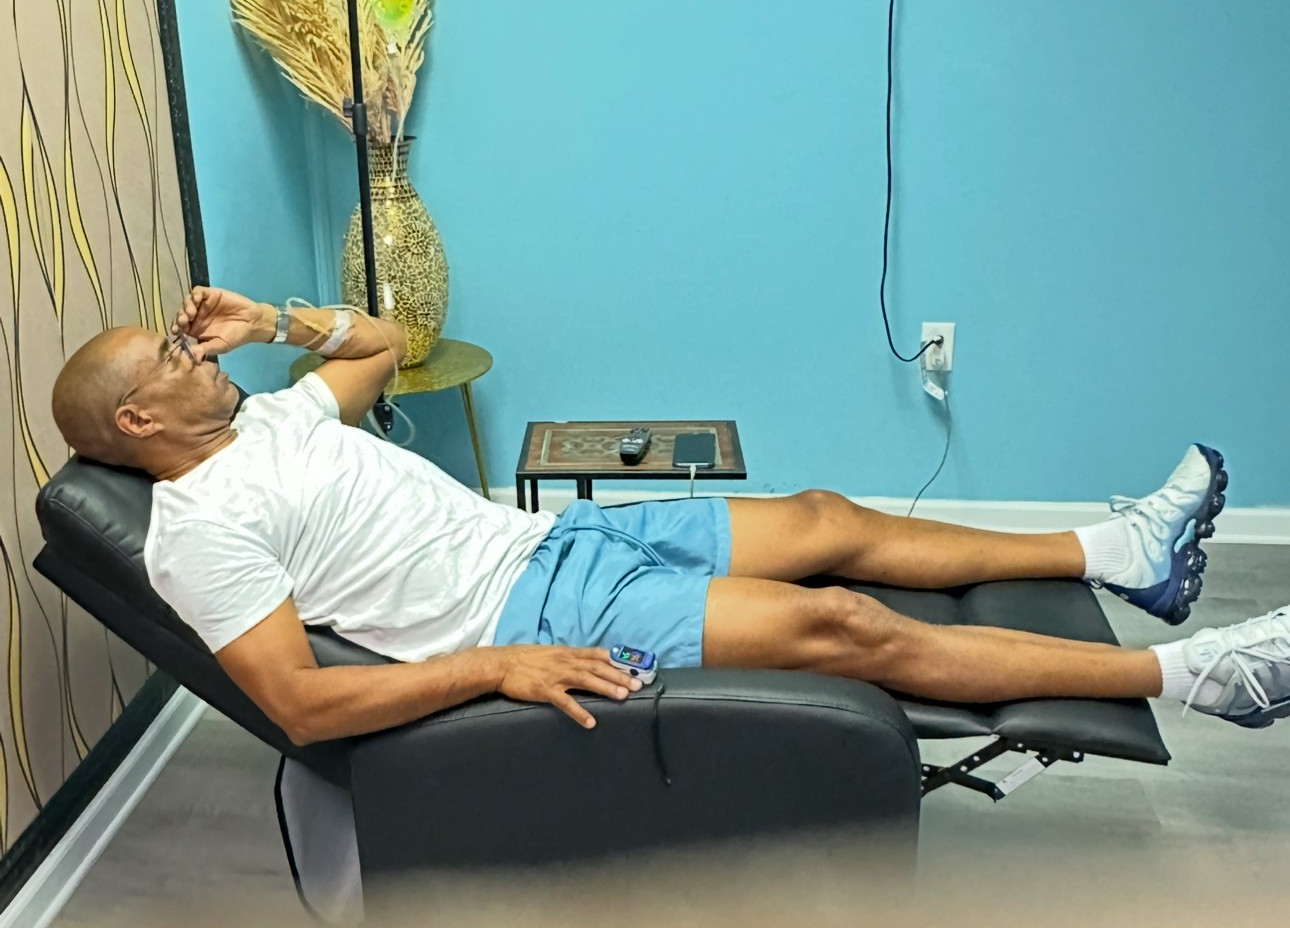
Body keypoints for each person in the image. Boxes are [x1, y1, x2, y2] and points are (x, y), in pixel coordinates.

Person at [51, 286, 1290, 744]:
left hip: (550, 540)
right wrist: (492, 667)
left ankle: (1118, 551)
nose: (193, 349)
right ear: (140, 422)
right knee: (846, 626)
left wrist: (272, 321)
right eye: (171, 355)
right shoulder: (200, 531)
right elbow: (300, 706)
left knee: (823, 516)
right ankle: (1201, 678)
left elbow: (383, 343)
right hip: (532, 612)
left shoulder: (271, 419)